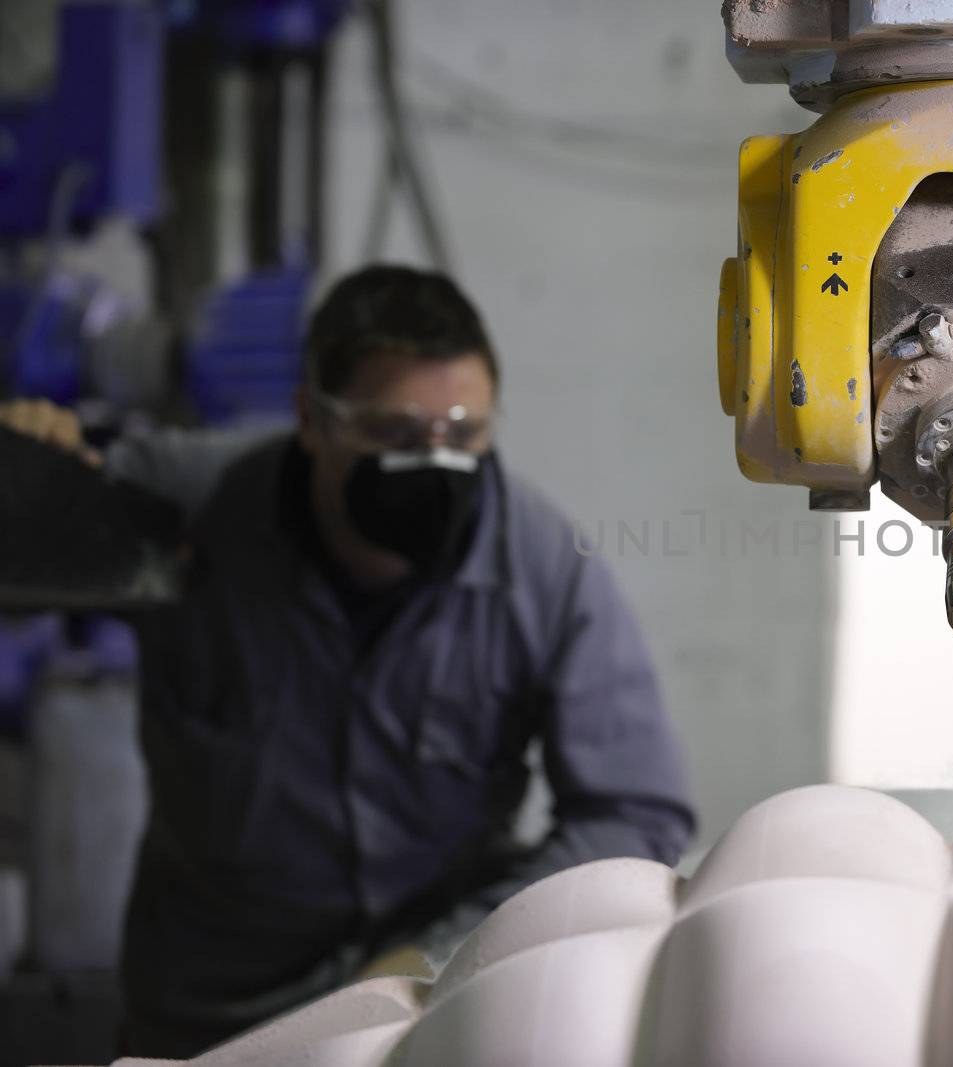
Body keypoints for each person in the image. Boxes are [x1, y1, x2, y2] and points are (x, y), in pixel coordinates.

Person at [0, 265, 696, 1057]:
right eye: (397, 435)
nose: (435, 460)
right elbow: (21, 561)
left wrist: (444, 954)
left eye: (463, 434)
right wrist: (27, 477)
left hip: (429, 1017)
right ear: (312, 419)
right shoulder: (194, 503)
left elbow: (634, 814)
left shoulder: (541, 571)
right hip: (212, 1020)